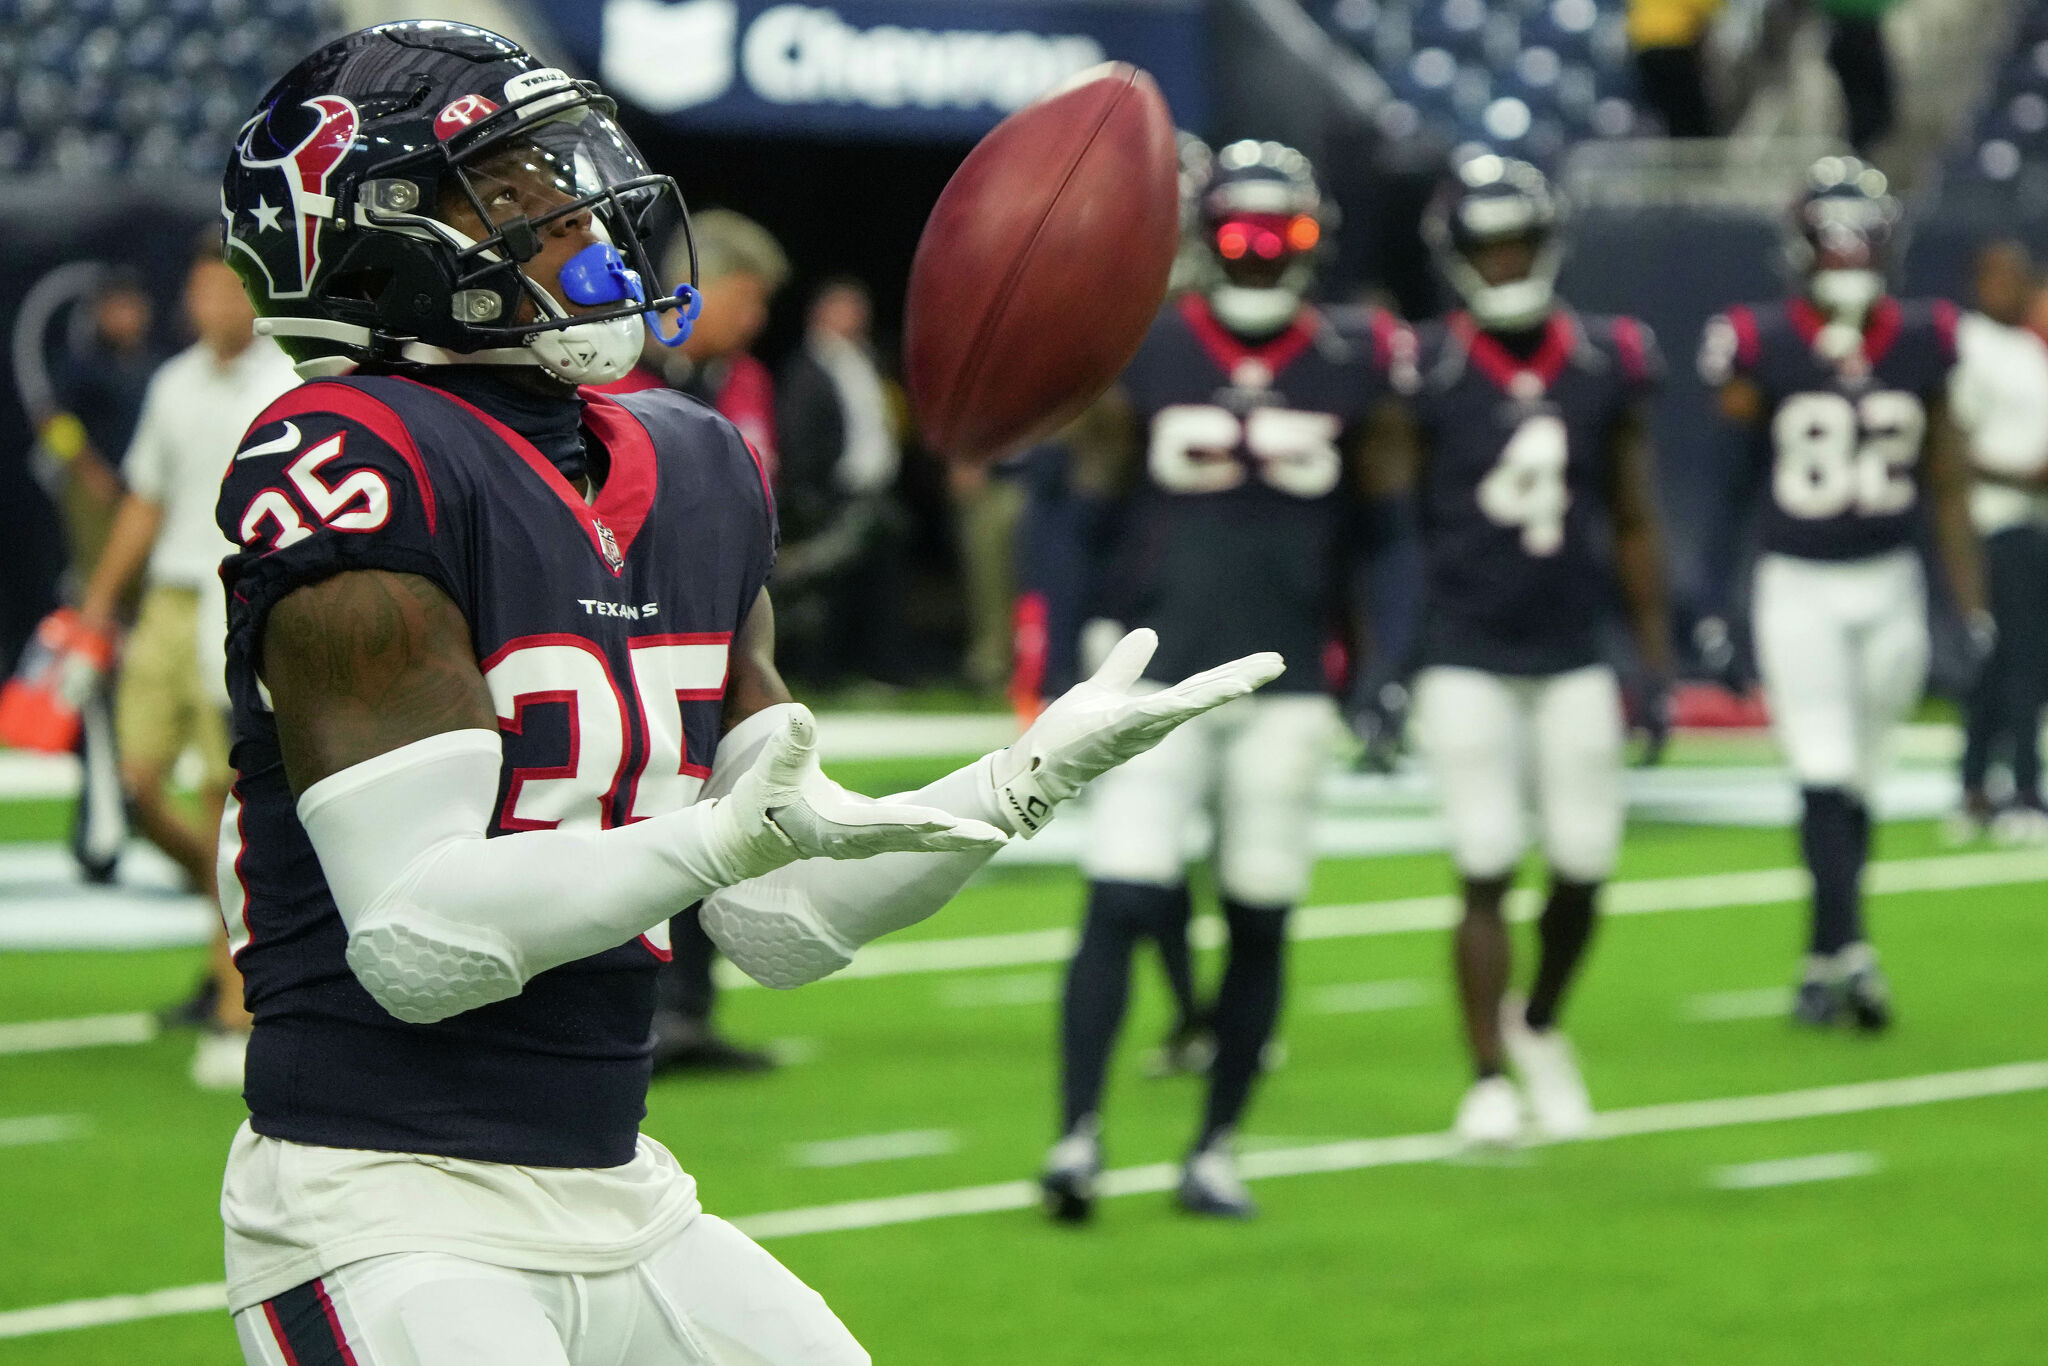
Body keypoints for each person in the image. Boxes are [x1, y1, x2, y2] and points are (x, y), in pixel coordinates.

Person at [213, 23, 1278, 1365]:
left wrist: (1015, 785)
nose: (578, 207)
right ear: (372, 236)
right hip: (384, 1199)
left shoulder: (694, 461)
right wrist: (712, 839)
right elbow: (419, 942)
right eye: (515, 182)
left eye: (563, 162)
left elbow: (776, 916)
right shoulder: (351, 454)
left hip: (622, 1183)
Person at [1040, 140, 1405, 1221]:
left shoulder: (1351, 361)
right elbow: (1081, 512)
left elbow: (1387, 535)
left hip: (1285, 684)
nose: (1256, 256)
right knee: (1120, 891)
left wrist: (1382, 660)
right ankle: (1075, 1134)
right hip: (1153, 675)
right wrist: (1058, 645)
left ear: (1312, 242)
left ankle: (1214, 1146)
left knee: (1259, 910)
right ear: (1207, 240)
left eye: (1278, 235)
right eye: (1239, 234)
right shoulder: (1148, 351)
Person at [1371, 155, 1673, 1146]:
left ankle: (1536, 1020)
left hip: (1570, 646)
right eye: (1485, 244)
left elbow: (1630, 515)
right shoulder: (1428, 366)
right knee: (1485, 860)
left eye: (1516, 241)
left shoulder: (1604, 359)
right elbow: (1391, 529)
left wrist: (1655, 658)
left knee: (1584, 864)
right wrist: (1385, 658)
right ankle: (1487, 1072)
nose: (1502, 260)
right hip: (1462, 648)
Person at [1697, 156, 1983, 1031]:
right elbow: (1733, 482)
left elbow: (1945, 477)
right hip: (1800, 583)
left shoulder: (1928, 336)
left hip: (1890, 578)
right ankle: (1853, 953)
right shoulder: (1760, 341)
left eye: (1864, 241)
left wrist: (1966, 600)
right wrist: (1717, 593)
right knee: (1821, 766)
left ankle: (1825, 956)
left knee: (1861, 777)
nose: (1849, 257)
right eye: (1834, 241)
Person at [73, 237, 299, 1089]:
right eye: (203, 292)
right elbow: (147, 497)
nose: (215, 308)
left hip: (236, 591)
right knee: (132, 788)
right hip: (170, 597)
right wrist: (99, 603)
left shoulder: (288, 382)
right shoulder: (173, 383)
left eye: (229, 292)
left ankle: (234, 986)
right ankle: (233, 939)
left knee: (225, 794)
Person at [602, 211, 790, 1070]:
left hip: (720, 619)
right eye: (744, 300)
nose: (753, 322)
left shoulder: (737, 380)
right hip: (629, 626)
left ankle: (693, 1007)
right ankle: (635, 1002)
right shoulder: (612, 382)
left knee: (722, 809)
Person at [1948, 241, 2048, 842]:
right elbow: (1950, 447)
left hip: (2036, 521)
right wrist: (2022, 475)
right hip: (1994, 520)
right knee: (2016, 660)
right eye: (1996, 275)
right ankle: (2023, 791)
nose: (2007, 285)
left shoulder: (2028, 348)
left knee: (2011, 662)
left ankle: (1975, 786)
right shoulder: (1968, 344)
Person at [774, 278, 911, 687]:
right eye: (847, 307)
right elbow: (798, 436)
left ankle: (881, 669)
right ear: (822, 313)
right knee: (829, 586)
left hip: (877, 493)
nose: (858, 316)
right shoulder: (806, 367)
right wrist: (811, 496)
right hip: (834, 495)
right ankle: (824, 675)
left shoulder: (869, 359)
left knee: (880, 584)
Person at [1627, 0, 1722, 138]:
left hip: (1644, 45)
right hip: (1677, 45)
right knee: (1690, 116)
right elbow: (1710, 14)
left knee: (1666, 113)